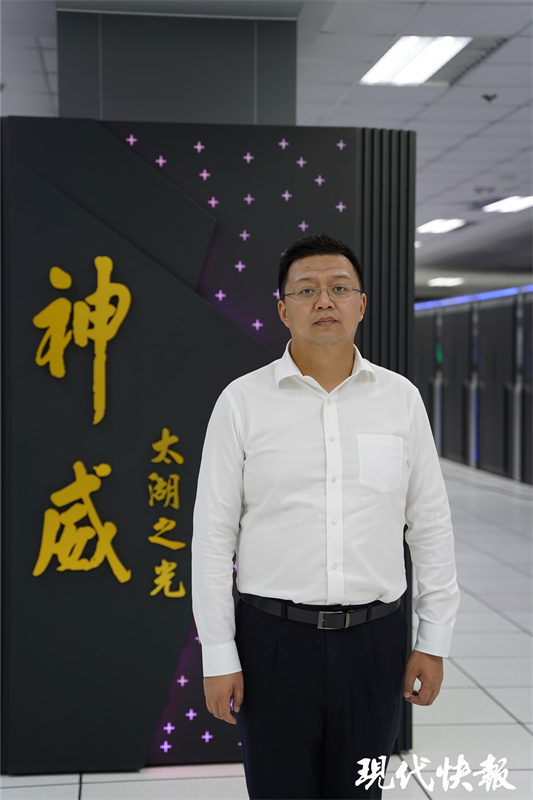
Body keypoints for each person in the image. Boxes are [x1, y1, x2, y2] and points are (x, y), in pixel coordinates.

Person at [192, 232, 460, 799]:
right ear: (282, 308)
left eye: (339, 288)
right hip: (272, 644)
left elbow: (431, 525)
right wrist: (218, 652)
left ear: (361, 304)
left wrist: (433, 639)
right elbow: (213, 538)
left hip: (375, 642)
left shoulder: (400, 400)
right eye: (306, 290)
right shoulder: (242, 402)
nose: (324, 301)